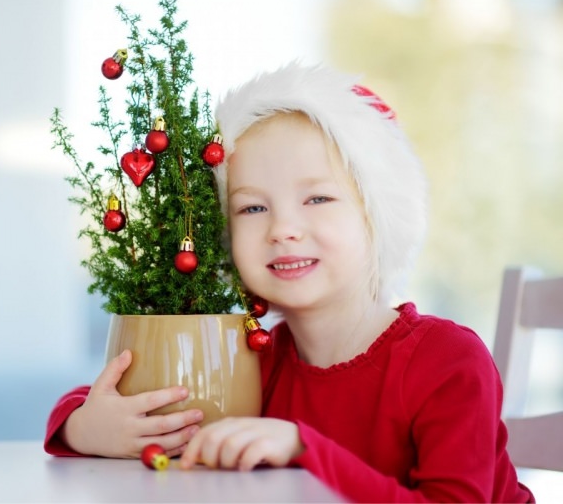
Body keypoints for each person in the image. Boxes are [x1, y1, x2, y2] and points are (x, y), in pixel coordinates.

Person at [44, 61, 534, 503]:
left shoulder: (447, 360)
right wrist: (86, 427)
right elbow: (91, 405)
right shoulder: (252, 360)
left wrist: (304, 450)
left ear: (377, 215)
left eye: (317, 199)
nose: (283, 229)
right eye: (253, 208)